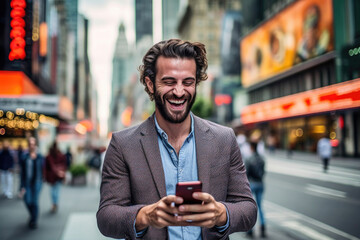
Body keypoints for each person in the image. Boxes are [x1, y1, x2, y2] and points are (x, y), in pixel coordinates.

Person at [97, 39, 257, 240]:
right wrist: (144, 216)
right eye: (169, 82)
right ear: (150, 84)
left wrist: (221, 214)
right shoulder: (122, 145)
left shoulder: (224, 139)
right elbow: (106, 216)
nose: (179, 92)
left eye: (188, 82)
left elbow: (249, 210)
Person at [20, 137, 44, 229]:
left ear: (36, 145)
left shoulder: (39, 157)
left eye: (33, 144)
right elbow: (22, 173)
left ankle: (34, 220)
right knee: (27, 201)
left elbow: (43, 168)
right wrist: (21, 186)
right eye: (30, 144)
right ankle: (32, 215)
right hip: (27, 183)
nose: (32, 146)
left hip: (37, 182)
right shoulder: (24, 157)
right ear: (28, 145)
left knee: (34, 201)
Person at [244, 141, 266, 238]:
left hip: (252, 183)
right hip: (260, 183)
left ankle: (250, 229)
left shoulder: (249, 159)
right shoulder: (262, 159)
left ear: (252, 147)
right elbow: (263, 172)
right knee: (260, 206)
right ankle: (263, 227)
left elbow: (246, 173)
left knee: (251, 207)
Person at [44, 141, 67, 213]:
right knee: (55, 191)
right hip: (54, 176)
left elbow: (47, 167)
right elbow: (47, 167)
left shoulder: (50, 156)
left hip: (54, 177)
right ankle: (55, 203)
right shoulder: (54, 155)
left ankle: (54, 204)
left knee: (54, 191)